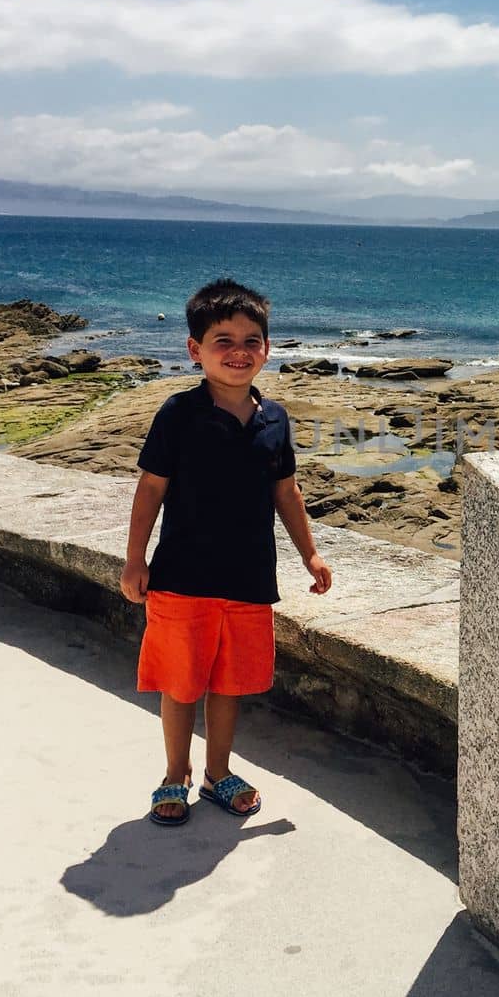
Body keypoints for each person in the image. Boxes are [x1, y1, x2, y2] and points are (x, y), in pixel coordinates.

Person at [120, 278, 333, 826]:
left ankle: (218, 772)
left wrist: (309, 554)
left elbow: (286, 491)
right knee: (180, 681)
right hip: (181, 578)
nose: (239, 351)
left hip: (247, 578)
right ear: (195, 349)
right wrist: (135, 558)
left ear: (267, 347)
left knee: (229, 682)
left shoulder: (275, 419)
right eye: (223, 340)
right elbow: (151, 488)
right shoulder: (178, 413)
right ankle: (175, 775)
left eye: (251, 339)